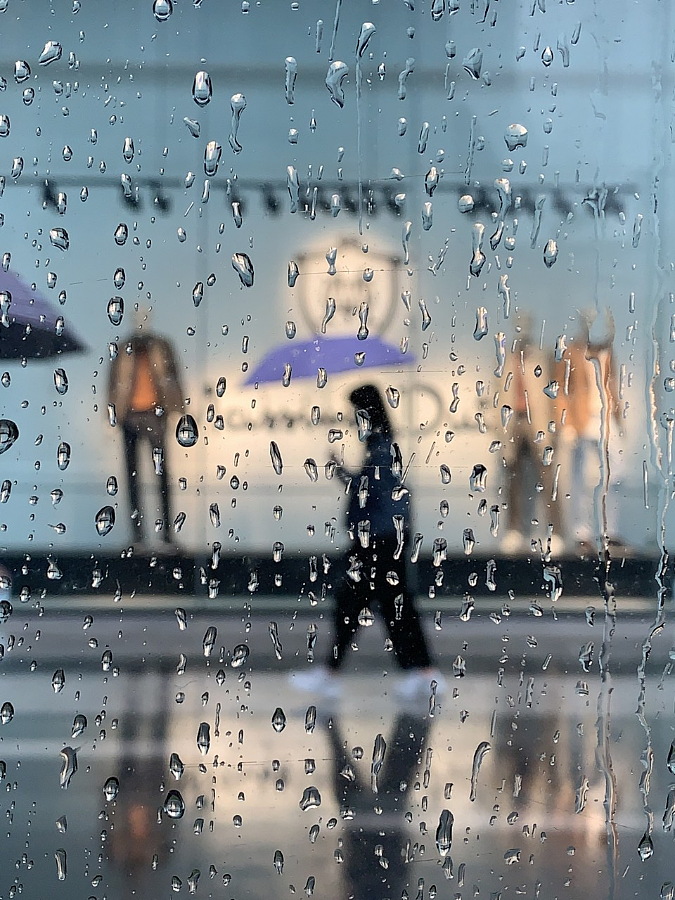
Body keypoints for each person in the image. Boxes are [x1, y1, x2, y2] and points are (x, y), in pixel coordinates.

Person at [290, 384, 444, 699]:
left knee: (374, 607)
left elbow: (372, 490)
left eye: (355, 413)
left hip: (378, 541)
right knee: (383, 607)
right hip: (379, 539)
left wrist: (340, 472)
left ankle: (420, 673)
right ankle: (420, 673)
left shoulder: (382, 446)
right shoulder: (380, 444)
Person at [108, 311, 184, 546]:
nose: (141, 321)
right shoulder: (124, 347)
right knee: (133, 477)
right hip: (130, 414)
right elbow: (113, 381)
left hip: (155, 413)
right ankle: (138, 536)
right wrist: (113, 412)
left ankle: (167, 536)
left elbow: (173, 376)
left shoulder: (161, 346)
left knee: (161, 475)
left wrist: (177, 407)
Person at [499, 323, 565, 556]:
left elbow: (552, 391)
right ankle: (514, 530)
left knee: (547, 478)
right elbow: (496, 392)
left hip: (536, 421)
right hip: (512, 421)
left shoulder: (540, 358)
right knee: (512, 479)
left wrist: (553, 426)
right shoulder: (506, 360)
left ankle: (556, 532)